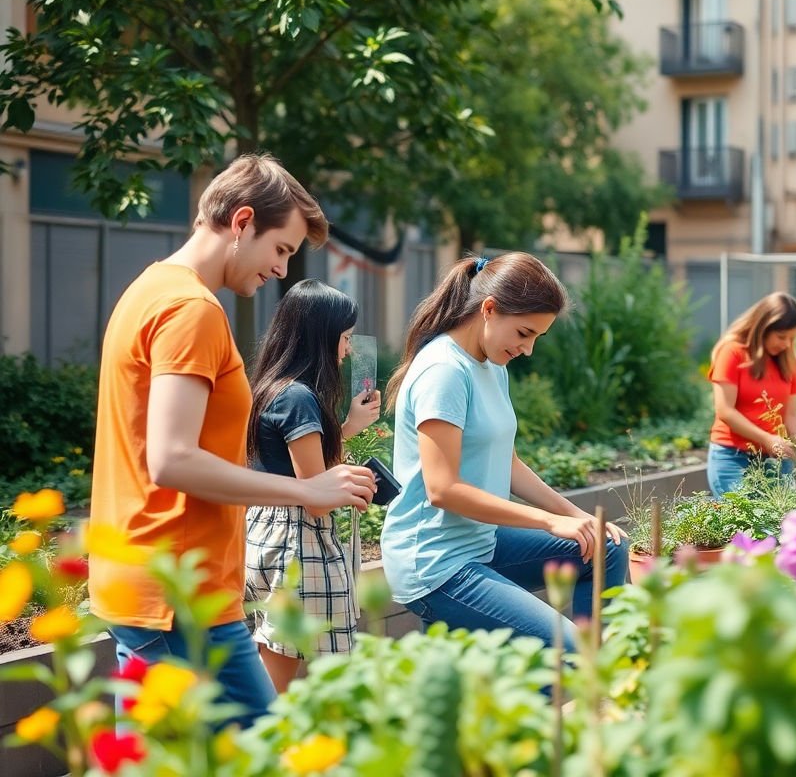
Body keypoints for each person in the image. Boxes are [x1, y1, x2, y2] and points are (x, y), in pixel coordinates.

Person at [89, 154, 375, 727]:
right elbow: (171, 460)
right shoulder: (191, 309)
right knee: (248, 751)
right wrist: (306, 490)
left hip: (162, 584)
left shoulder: (152, 289)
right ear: (242, 222)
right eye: (282, 249)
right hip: (177, 591)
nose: (282, 268)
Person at [381, 253, 628, 651]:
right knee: (568, 653)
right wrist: (549, 523)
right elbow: (443, 490)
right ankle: (583, 684)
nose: (527, 349)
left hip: (480, 542)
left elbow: (508, 463)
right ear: (489, 310)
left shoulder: (493, 365)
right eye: (524, 333)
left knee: (606, 548)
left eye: (536, 338)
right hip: (436, 561)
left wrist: (577, 516)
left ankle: (607, 678)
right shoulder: (444, 371)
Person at [244, 280, 382, 693]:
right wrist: (356, 486)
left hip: (267, 529)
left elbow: (303, 473)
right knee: (279, 677)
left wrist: (350, 427)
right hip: (297, 541)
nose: (348, 350)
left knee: (270, 656)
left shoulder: (275, 389)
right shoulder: (300, 398)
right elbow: (316, 496)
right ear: (321, 337)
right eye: (344, 338)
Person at [706, 292, 796, 499]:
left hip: (774, 460)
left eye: (792, 338)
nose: (786, 344)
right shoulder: (732, 352)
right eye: (781, 337)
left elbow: (790, 415)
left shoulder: (788, 362)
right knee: (746, 524)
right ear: (762, 328)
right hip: (732, 458)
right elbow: (725, 410)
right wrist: (767, 439)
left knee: (777, 523)